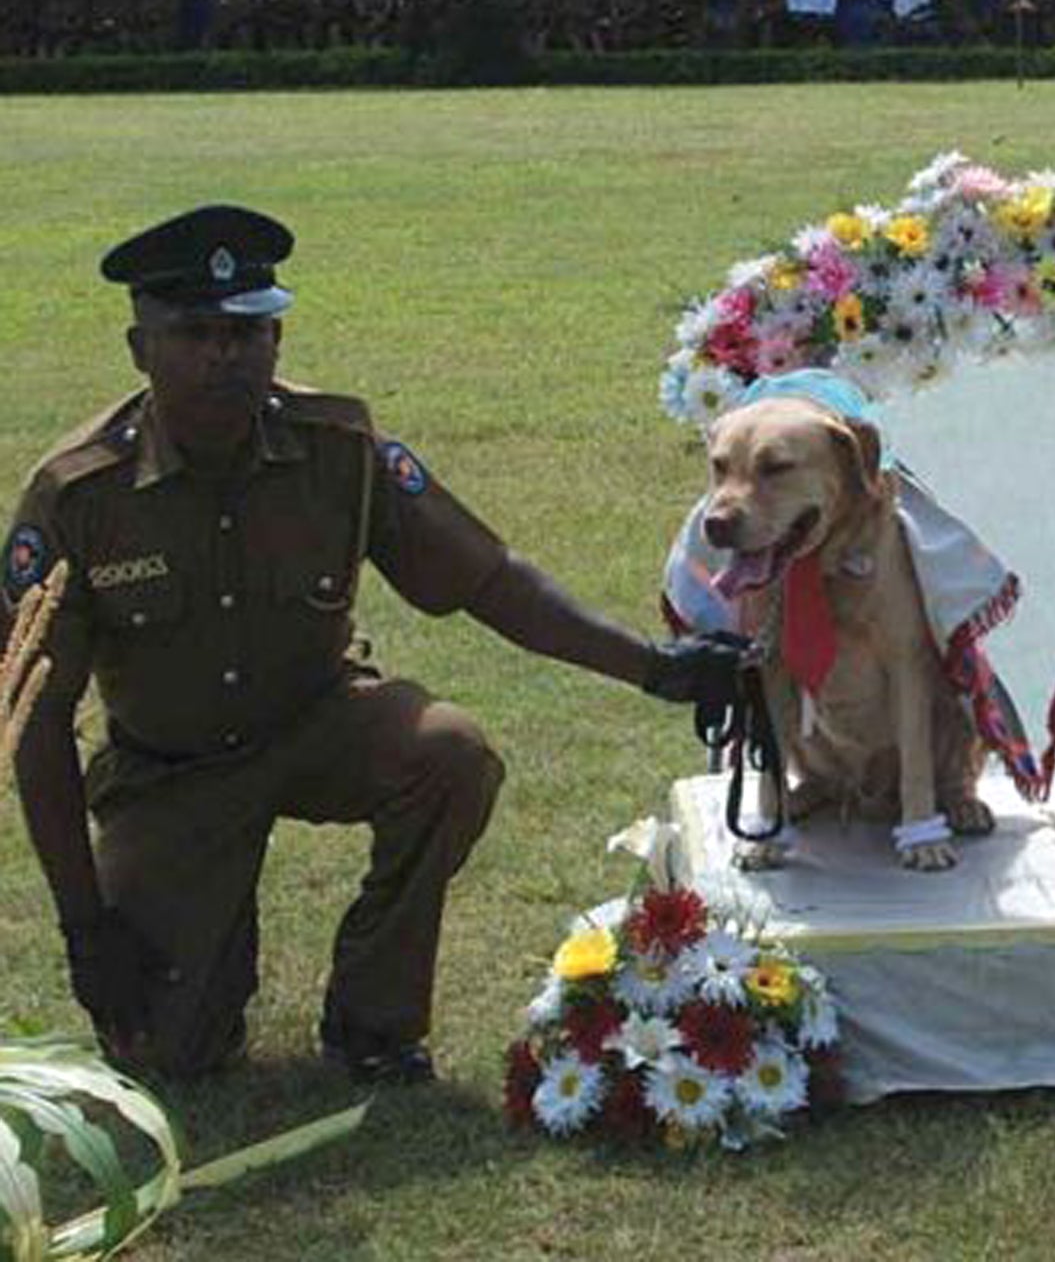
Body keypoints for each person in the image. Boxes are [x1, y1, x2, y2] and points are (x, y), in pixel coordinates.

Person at [3, 206, 747, 1084]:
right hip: (172, 773)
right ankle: (204, 949)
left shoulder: (339, 448)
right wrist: (86, 929)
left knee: (448, 753)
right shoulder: (78, 495)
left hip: (321, 721)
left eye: (247, 332)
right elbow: (37, 722)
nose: (223, 355)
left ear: (276, 339)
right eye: (194, 334)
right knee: (166, 1053)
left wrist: (651, 667)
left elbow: (488, 580)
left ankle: (373, 1022)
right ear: (141, 348)